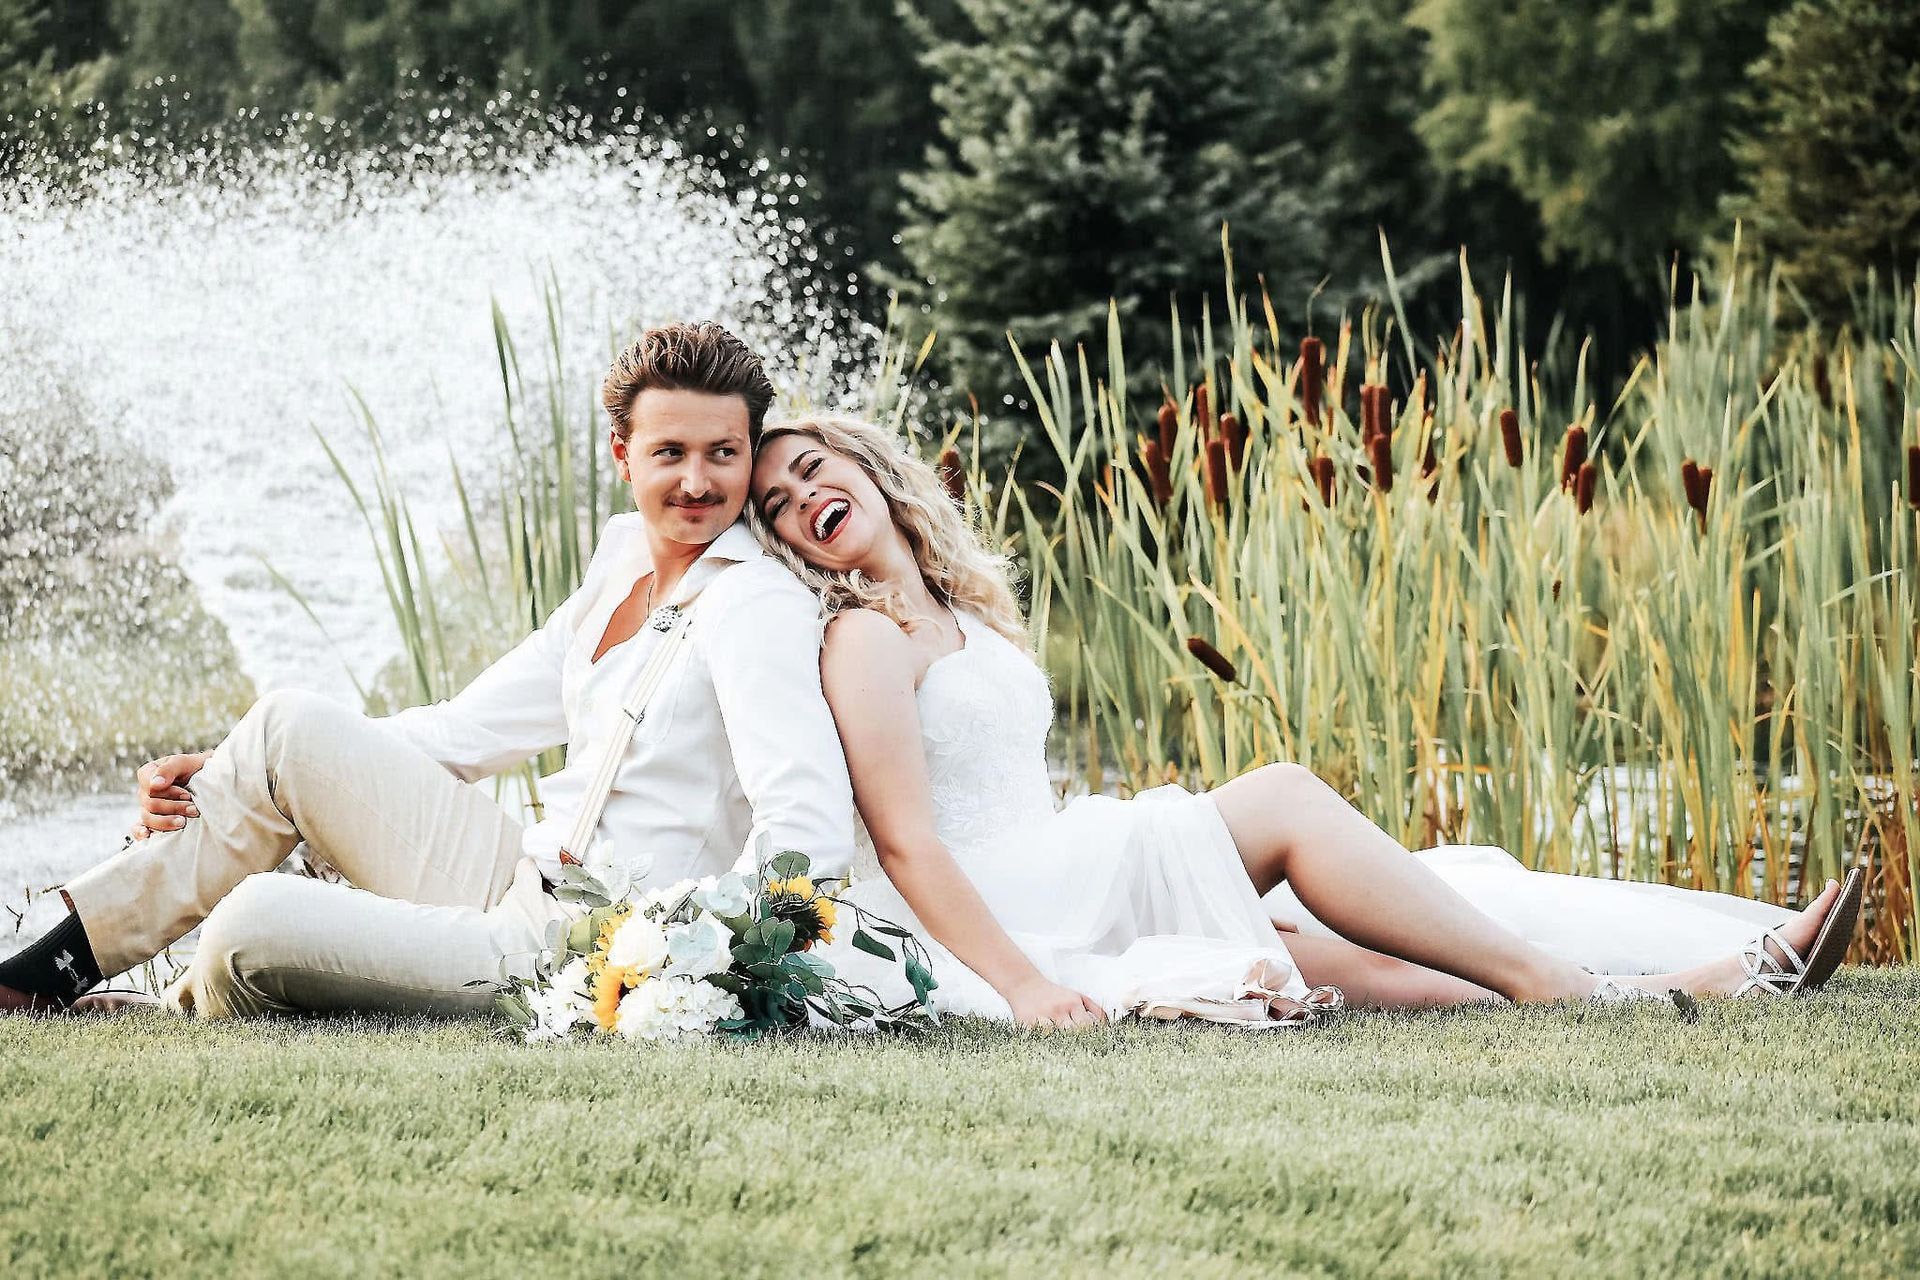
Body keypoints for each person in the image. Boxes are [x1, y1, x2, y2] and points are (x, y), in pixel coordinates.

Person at [745, 413, 1863, 1029]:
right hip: (1010, 899)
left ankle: (1673, 986)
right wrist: (1026, 981)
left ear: (867, 464)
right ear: (791, 546)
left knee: (1317, 954)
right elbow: (904, 841)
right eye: (781, 509)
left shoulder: (962, 611)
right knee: (1278, 795)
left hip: (1062, 859)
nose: (803, 499)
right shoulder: (864, 637)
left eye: (810, 469)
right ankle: (1575, 986)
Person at [0, 323, 854, 1017]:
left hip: (593, 945)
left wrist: (689, 968)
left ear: (749, 453)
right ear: (623, 455)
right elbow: (461, 733)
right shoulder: (623, 570)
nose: (698, 482)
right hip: (516, 872)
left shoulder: (754, 605)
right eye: (671, 453)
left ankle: (175, 1009)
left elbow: (806, 828)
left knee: (251, 922)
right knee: (287, 724)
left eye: (724, 454)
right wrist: (243, 775)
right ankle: (44, 974)